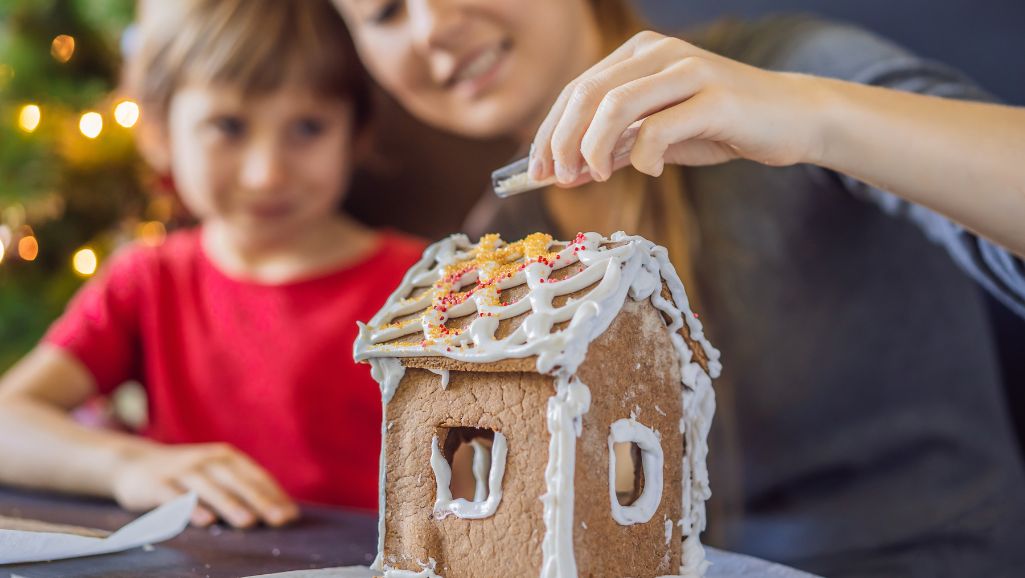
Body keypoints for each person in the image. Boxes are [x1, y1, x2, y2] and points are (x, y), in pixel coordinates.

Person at [332, 1, 1025, 576]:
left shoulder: (782, 70)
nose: (430, 27)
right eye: (384, 13)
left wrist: (816, 118)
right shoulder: (509, 246)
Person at [0, 0, 424, 529]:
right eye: (228, 126)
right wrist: (126, 465)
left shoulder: (422, 286)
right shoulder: (149, 281)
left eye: (309, 128)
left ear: (355, 135)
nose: (267, 173)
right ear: (159, 133)